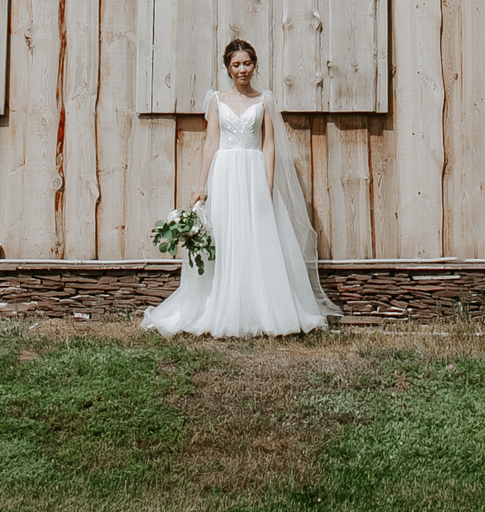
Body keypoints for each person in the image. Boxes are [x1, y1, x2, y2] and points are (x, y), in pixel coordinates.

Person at [141, 39, 341, 338]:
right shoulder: (217, 101)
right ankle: (221, 305)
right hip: (224, 173)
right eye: (236, 65)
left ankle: (261, 307)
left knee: (256, 237)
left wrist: (268, 181)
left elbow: (269, 144)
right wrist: (201, 185)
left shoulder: (264, 101)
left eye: (247, 63)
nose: (242, 69)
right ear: (228, 68)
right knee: (226, 236)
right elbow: (210, 143)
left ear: (254, 65)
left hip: (253, 171)